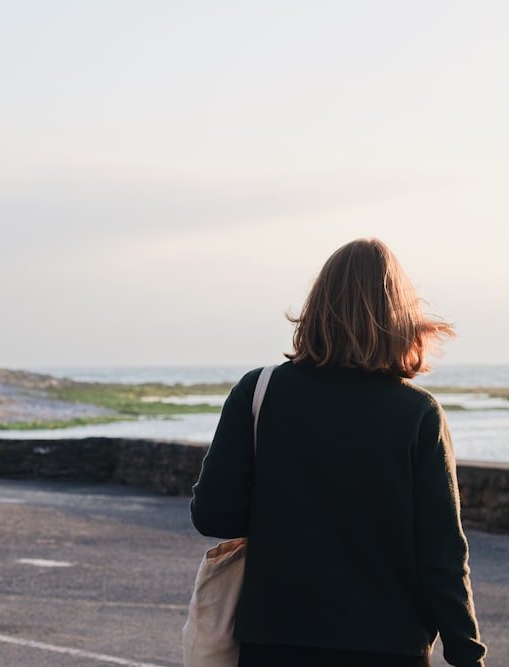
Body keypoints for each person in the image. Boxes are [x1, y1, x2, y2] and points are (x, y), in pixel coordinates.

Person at [190, 238, 487, 667]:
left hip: (275, 640)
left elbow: (213, 516)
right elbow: (441, 557)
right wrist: (466, 654)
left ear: (317, 307)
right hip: (390, 646)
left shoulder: (260, 391)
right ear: (399, 317)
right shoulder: (417, 413)